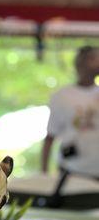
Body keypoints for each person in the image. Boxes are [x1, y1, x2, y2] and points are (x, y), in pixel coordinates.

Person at [42, 46, 99, 178]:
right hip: (71, 169)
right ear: (80, 63)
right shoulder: (62, 96)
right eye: (93, 58)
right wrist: (44, 173)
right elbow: (50, 136)